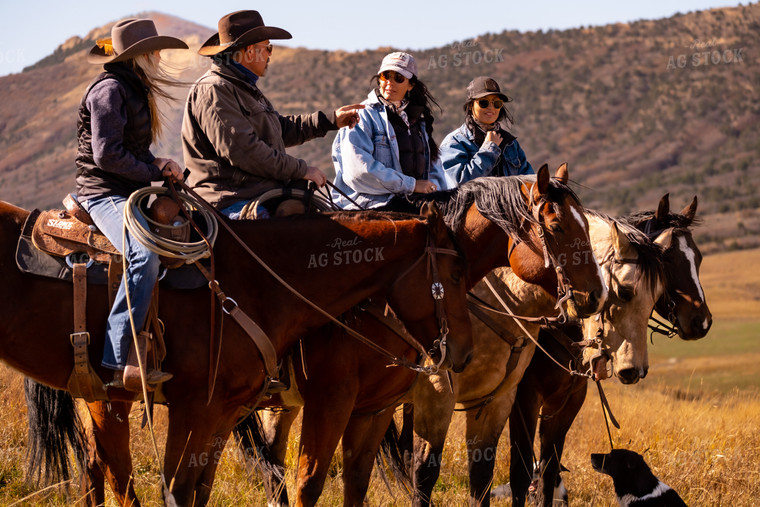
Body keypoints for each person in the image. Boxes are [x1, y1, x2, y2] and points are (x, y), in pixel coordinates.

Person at [75, 19, 187, 387]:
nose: (158, 56)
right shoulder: (109, 91)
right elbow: (108, 157)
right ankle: (117, 355)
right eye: (153, 50)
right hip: (103, 192)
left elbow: (131, 150)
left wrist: (157, 162)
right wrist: (153, 175)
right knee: (145, 254)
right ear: (140, 56)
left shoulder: (131, 88)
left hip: (124, 188)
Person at [182, 10, 363, 219]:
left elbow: (280, 129)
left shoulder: (243, 88)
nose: (269, 54)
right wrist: (301, 170)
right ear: (250, 52)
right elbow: (245, 152)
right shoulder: (214, 90)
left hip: (259, 194)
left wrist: (329, 120)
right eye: (267, 47)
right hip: (231, 200)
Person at [330, 52, 450, 211]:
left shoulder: (418, 122)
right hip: (367, 206)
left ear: (411, 85)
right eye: (386, 76)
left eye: (398, 78)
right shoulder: (363, 115)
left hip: (410, 203)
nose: (390, 83)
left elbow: (434, 172)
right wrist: (412, 186)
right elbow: (358, 171)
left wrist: (437, 195)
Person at [440, 76, 533, 185]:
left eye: (497, 103)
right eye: (484, 103)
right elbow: (460, 183)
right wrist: (489, 149)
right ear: (470, 105)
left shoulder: (511, 144)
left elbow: (529, 183)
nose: (491, 108)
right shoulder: (455, 142)